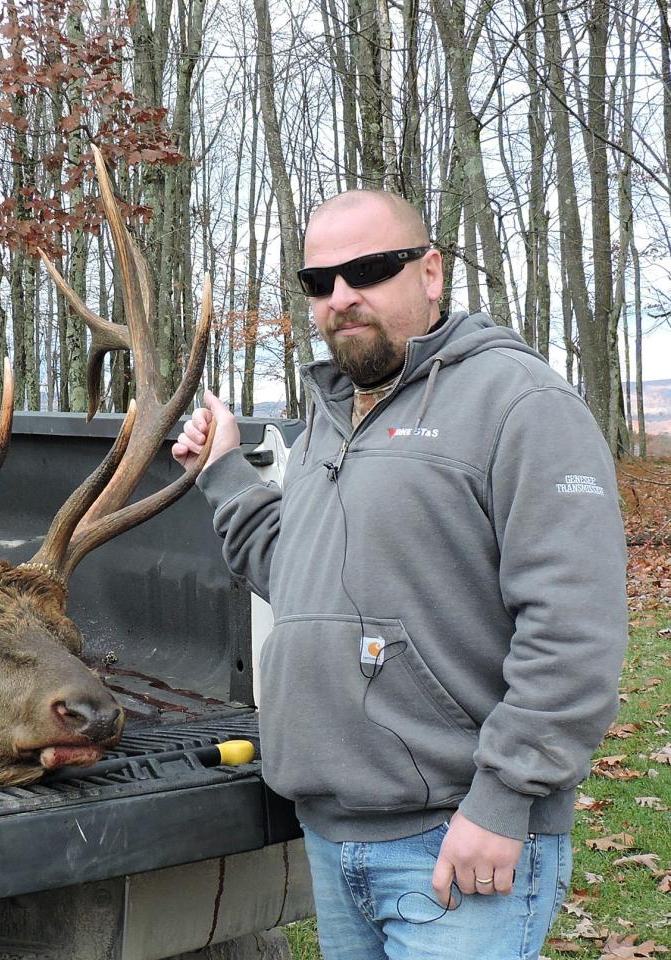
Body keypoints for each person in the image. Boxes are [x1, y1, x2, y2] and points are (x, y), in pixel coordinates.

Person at [173, 190, 628, 960]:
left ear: (432, 272)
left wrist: (503, 800)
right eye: (319, 282)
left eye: (370, 270)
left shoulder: (520, 404)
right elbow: (306, 575)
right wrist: (221, 475)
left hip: (459, 842)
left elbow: (575, 631)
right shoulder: (332, 413)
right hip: (335, 838)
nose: (341, 297)